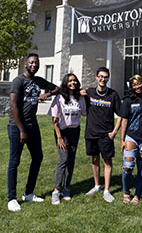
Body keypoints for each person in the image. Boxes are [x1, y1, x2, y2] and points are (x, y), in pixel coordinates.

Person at [7, 53, 59, 212]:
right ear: (25, 64)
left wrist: (47, 94)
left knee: (38, 157)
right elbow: (14, 106)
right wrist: (22, 130)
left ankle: (28, 193)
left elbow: (56, 88)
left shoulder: (38, 81)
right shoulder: (18, 81)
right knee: (15, 161)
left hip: (33, 125)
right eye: (31, 62)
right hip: (17, 127)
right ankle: (11, 199)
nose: (34, 65)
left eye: (36, 63)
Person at [82, 67, 124, 203]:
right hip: (91, 133)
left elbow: (121, 115)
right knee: (94, 160)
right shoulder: (89, 93)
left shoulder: (113, 95)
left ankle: (106, 190)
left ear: (108, 78)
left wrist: (114, 132)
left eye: (105, 77)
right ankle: (96, 185)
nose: (103, 79)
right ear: (96, 77)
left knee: (107, 161)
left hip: (106, 135)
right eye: (100, 76)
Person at [47, 73, 87, 205]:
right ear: (65, 83)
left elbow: (84, 113)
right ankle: (56, 191)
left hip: (74, 131)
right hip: (62, 131)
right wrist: (59, 137)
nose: (73, 83)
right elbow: (54, 121)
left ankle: (66, 188)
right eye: (70, 81)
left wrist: (85, 97)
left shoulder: (79, 98)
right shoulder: (59, 98)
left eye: (75, 80)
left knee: (71, 160)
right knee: (63, 159)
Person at [118, 75, 142, 205]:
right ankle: (126, 191)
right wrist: (122, 139)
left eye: (139, 84)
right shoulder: (128, 101)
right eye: (135, 85)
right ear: (132, 86)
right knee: (128, 166)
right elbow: (124, 120)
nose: (137, 87)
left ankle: (137, 194)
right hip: (131, 136)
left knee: (141, 167)